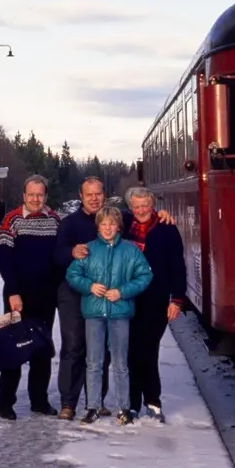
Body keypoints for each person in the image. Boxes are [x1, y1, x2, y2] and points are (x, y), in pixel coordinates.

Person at [52, 176, 175, 420]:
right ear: (81, 196)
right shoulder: (70, 224)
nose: (94, 198)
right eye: (89, 194)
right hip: (83, 298)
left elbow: (143, 214)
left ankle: (116, 403)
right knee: (78, 348)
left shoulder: (124, 222)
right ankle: (72, 402)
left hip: (117, 303)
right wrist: (72, 254)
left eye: (98, 193)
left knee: (116, 355)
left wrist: (162, 215)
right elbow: (60, 257)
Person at [64, 206, 153, 425]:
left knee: (121, 362)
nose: (107, 228)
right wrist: (89, 286)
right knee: (94, 361)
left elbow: (145, 275)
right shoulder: (89, 249)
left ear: (118, 226)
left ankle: (124, 407)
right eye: (103, 224)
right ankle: (93, 406)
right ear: (98, 226)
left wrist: (123, 291)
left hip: (120, 313)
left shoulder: (131, 250)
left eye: (112, 224)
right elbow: (72, 274)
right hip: (94, 312)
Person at [0, 174, 63, 420]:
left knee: (42, 350)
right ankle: (6, 402)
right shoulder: (11, 220)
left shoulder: (55, 220)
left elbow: (60, 257)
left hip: (46, 296)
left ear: (46, 196)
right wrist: (12, 290)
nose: (35, 199)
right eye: (31, 194)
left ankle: (39, 400)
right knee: (14, 349)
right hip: (18, 296)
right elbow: (4, 258)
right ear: (24, 196)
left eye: (40, 194)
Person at [124, 187, 188, 422]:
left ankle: (152, 401)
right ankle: (131, 403)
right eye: (136, 206)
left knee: (148, 350)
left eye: (145, 205)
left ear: (153, 206)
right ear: (131, 207)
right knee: (130, 351)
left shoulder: (166, 229)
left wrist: (177, 299)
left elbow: (178, 266)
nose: (141, 210)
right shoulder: (124, 225)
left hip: (156, 298)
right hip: (128, 298)